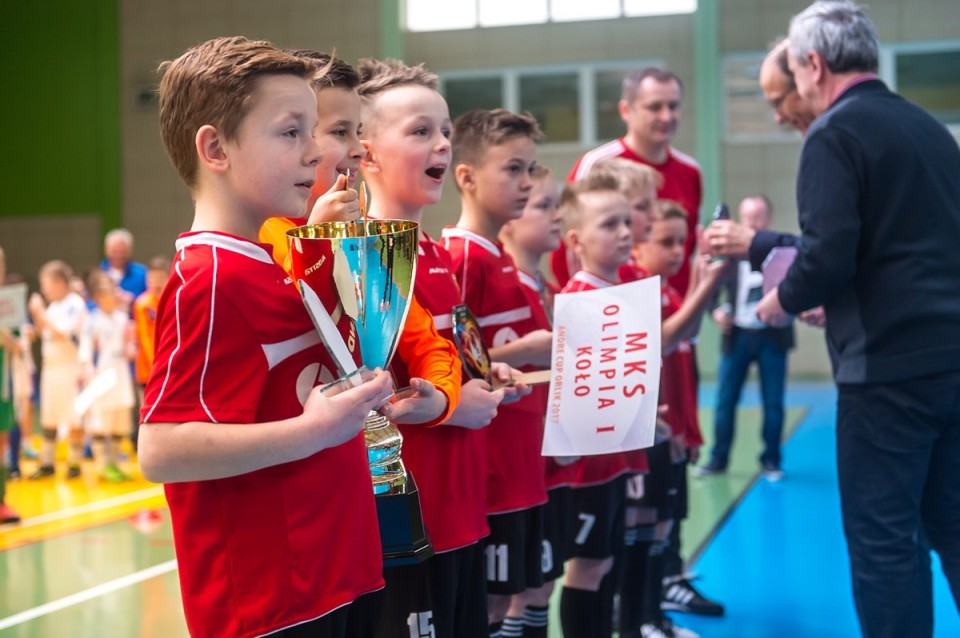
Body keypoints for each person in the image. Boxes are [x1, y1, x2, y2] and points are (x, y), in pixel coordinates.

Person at [138, 36, 394, 638]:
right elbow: (161, 448)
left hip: (332, 573)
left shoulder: (268, 263)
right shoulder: (210, 276)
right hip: (271, 602)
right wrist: (313, 431)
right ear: (215, 149)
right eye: (291, 132)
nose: (315, 152)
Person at [754, 3, 960, 637]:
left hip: (887, 377)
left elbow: (827, 253)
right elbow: (902, 249)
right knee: (953, 527)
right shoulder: (929, 130)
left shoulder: (834, 133)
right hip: (950, 362)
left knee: (884, 542)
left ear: (813, 65)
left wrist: (780, 301)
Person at [358, 57, 514, 638]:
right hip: (409, 525)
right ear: (367, 154)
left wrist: (488, 380)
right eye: (421, 131)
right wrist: (451, 407)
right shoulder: (361, 257)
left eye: (445, 130)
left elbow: (452, 360)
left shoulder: (434, 251)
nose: (443, 143)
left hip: (463, 511)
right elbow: (366, 397)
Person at [441, 108, 552, 638]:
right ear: (466, 177)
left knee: (512, 595)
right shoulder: (462, 257)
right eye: (512, 169)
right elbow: (454, 361)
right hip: (490, 472)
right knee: (489, 605)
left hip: (522, 463)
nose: (527, 182)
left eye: (529, 169)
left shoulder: (501, 257)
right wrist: (529, 348)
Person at [497, 164, 568, 638]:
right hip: (512, 467)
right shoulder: (502, 284)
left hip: (549, 464)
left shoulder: (554, 292)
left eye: (556, 205)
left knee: (542, 582)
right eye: (542, 206)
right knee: (512, 593)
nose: (556, 215)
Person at [558, 67, 701, 297]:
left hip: (673, 308)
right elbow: (567, 248)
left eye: (673, 106)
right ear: (626, 110)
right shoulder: (597, 163)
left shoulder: (690, 170)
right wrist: (588, 307)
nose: (667, 116)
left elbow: (689, 246)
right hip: (610, 308)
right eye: (654, 107)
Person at [695, 195, 794, 481]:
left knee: (773, 402)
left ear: (769, 219)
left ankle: (771, 461)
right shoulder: (728, 255)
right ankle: (718, 459)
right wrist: (715, 312)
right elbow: (709, 290)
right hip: (737, 336)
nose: (752, 223)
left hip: (772, 337)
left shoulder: (780, 254)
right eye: (747, 217)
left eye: (758, 217)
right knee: (725, 400)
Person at [28, 260, 88, 480]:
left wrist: (39, 313)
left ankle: (74, 463)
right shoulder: (53, 306)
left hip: (69, 368)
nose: (44, 289)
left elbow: (62, 334)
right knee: (49, 416)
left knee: (73, 417)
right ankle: (47, 463)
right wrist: (36, 318)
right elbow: (45, 331)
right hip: (51, 367)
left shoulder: (75, 304)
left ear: (60, 282)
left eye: (46, 283)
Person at [80, 271, 137, 482]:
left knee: (119, 421)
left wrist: (131, 349)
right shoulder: (92, 321)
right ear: (98, 298)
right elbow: (85, 348)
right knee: (100, 421)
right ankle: (102, 464)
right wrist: (87, 368)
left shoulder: (122, 319)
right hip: (102, 375)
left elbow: (129, 344)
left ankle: (114, 462)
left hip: (120, 372)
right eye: (108, 292)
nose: (113, 295)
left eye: (114, 290)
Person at [101, 228, 148, 304]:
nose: (118, 255)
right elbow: (89, 303)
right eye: (115, 251)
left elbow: (152, 298)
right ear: (106, 250)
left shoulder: (142, 274)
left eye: (122, 251)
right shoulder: (98, 274)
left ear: (130, 250)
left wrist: (133, 299)